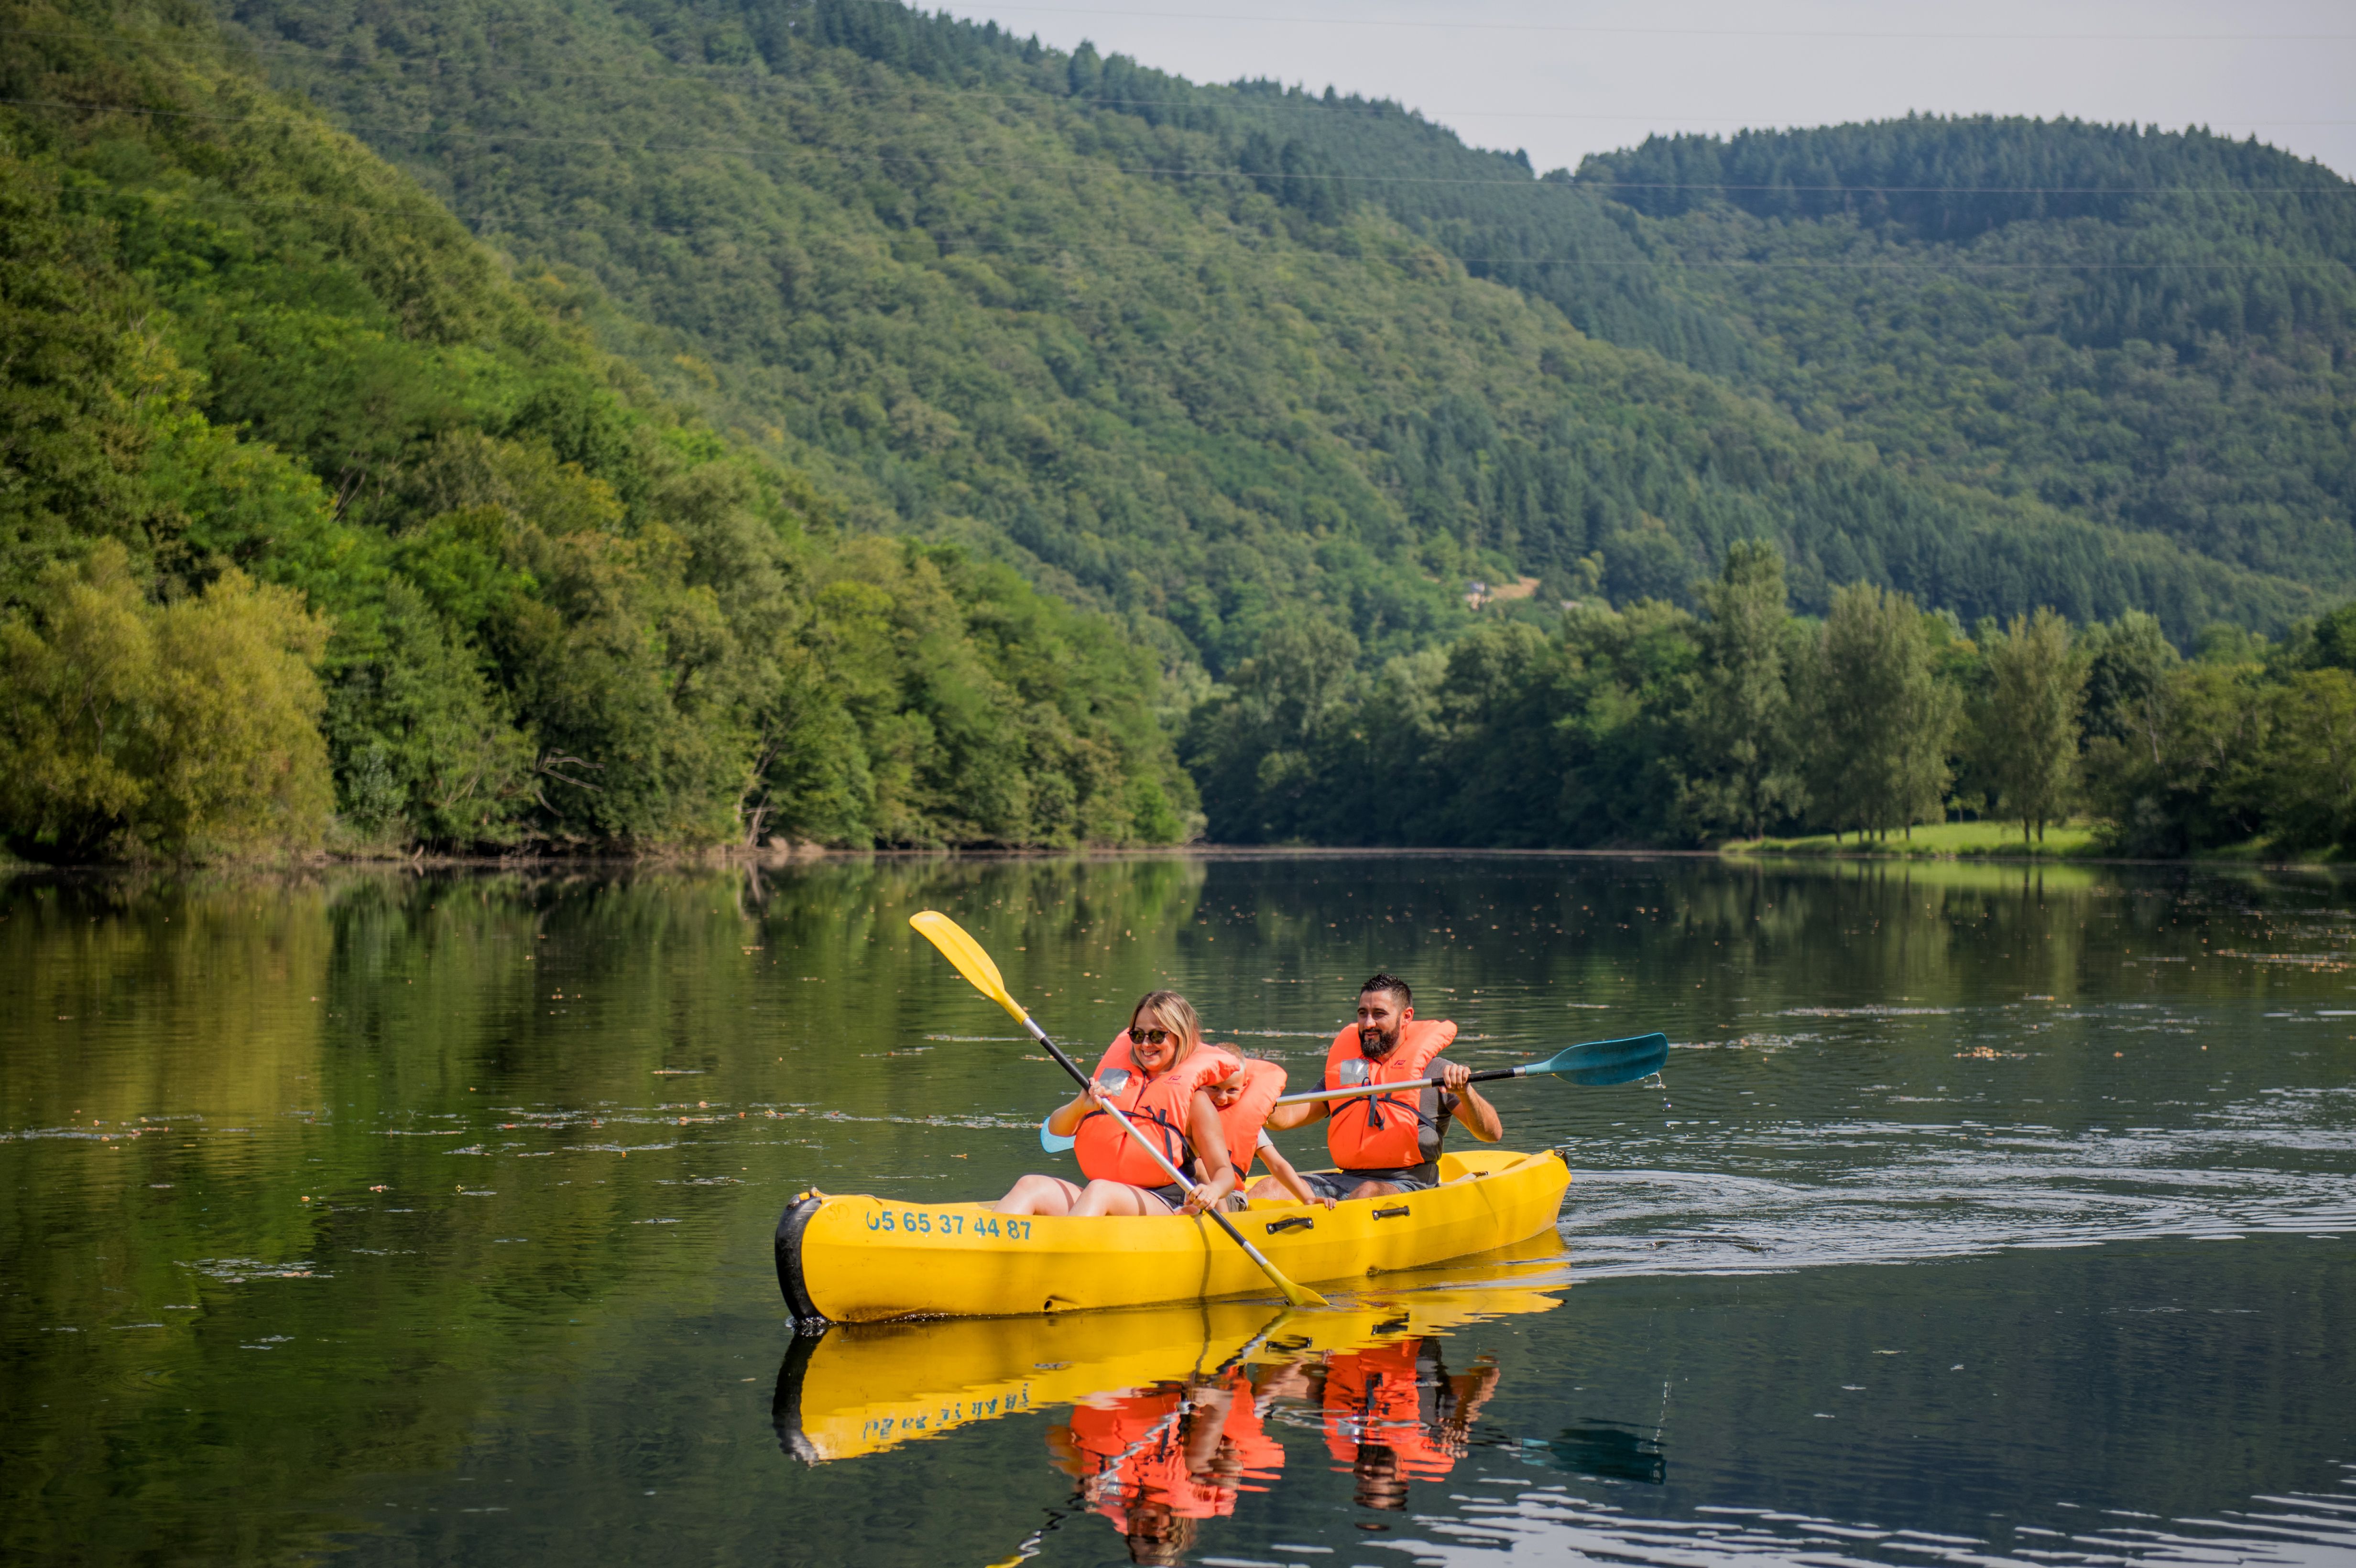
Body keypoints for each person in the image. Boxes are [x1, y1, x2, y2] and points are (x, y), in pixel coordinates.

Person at [1255, 972, 1501, 1202]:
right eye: (1363, 1013)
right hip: (1347, 1179)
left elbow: (1491, 1134)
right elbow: (1285, 1118)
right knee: (1269, 1188)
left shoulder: (1437, 1072)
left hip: (1411, 1185)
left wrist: (1465, 1093)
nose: (1368, 1023)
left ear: (1406, 1017)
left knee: (1368, 1193)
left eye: (1379, 1014)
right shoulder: (1346, 1072)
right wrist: (1256, 1103)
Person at [996, 991, 1241, 1217]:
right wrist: (1081, 1105)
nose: (1146, 1044)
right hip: (1104, 1196)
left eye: (1157, 1035)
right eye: (1137, 1035)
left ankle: (1061, 1256)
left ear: (1181, 1037)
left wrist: (1213, 1191)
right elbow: (1055, 1133)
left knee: (1101, 1191)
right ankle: (986, 1248)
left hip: (1164, 1202)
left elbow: (1223, 1171)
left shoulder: (1195, 1101)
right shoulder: (1115, 1079)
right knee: (1030, 1185)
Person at [1204, 1055, 1331, 1211]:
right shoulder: (1190, 1114)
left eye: (1232, 1090)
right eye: (1214, 1088)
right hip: (1193, 1189)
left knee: (1200, 1172)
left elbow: (1277, 1165)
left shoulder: (1245, 1121)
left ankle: (1224, 1223)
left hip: (1230, 1198)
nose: (1222, 1098)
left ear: (1243, 1088)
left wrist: (1307, 1199)